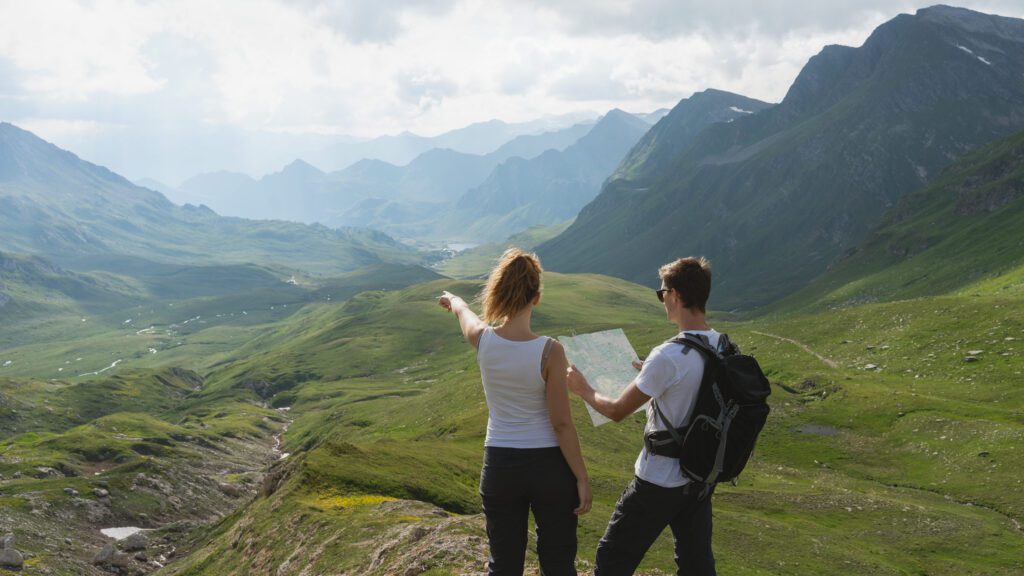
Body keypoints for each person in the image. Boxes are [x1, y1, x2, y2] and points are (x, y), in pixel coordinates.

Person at [438, 248, 591, 575]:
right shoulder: (550, 351)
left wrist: (454, 301)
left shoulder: (482, 339)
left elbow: (465, 314)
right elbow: (562, 424)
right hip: (549, 468)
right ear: (536, 298)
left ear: (499, 293)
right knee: (558, 563)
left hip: (500, 466)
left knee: (504, 565)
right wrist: (581, 477)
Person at [566, 256, 719, 576]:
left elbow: (617, 410)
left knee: (612, 558)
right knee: (696, 563)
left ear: (675, 295)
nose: (662, 300)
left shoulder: (669, 355)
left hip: (659, 479)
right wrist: (648, 373)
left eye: (662, 293)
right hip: (701, 477)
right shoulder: (720, 344)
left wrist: (583, 389)